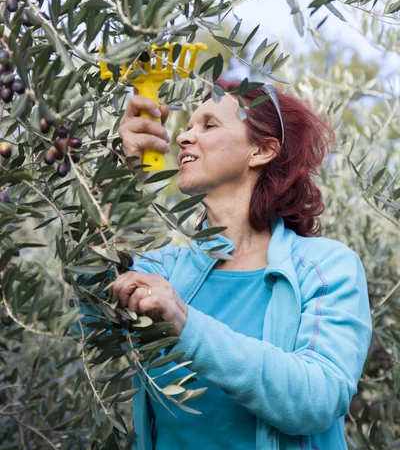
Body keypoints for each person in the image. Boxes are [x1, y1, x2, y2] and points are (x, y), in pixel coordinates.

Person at [112, 78, 372, 450]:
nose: (185, 137)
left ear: (262, 151)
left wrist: (185, 324)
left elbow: (317, 400)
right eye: (186, 128)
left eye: (209, 125)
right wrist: (121, 175)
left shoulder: (328, 267)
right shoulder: (165, 269)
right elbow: (94, 311)